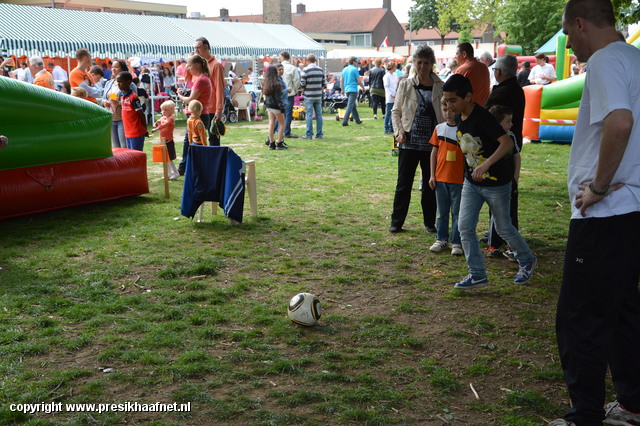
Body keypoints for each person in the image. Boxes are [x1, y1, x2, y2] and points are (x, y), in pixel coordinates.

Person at [550, 0, 640, 424]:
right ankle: (633, 403)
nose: (569, 42)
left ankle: (583, 415)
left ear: (581, 24)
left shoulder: (605, 61)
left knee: (579, 317)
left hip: (605, 215)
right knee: (623, 311)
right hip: (632, 213)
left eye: (568, 33)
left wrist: (599, 188)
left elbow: (620, 123)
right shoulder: (634, 59)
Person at [442, 74, 536, 289]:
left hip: (497, 184)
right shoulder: (459, 119)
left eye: (453, 100)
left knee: (504, 228)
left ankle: (527, 259)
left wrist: (485, 166)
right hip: (472, 184)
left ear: (468, 97)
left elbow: (506, 144)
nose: (449, 105)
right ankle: (477, 274)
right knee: (464, 228)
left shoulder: (483, 117)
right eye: (446, 100)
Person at [389, 45, 443, 234]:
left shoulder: (440, 86)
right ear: (413, 63)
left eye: (426, 63)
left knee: (430, 184)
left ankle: (429, 222)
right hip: (408, 141)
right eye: (419, 62)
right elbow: (395, 112)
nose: (422, 66)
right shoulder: (406, 84)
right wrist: (399, 133)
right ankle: (397, 222)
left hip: (432, 145)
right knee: (403, 183)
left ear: (432, 64)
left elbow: (445, 113)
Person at [484, 55, 526, 258]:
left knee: (503, 198)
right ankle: (497, 235)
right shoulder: (517, 88)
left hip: (501, 148)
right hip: (510, 144)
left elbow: (487, 118)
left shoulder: (501, 91)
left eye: (494, 71)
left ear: (498, 72)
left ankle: (506, 239)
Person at [428, 98, 464, 256]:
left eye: (451, 110)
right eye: (445, 110)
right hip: (440, 178)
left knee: (457, 213)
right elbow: (434, 152)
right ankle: (441, 239)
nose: (448, 114)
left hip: (459, 180)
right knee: (442, 212)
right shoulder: (439, 128)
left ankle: (456, 242)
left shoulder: (464, 130)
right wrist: (431, 175)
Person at [177, 54, 212, 173]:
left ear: (197, 65)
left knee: (192, 141)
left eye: (190, 66)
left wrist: (179, 95)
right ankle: (188, 166)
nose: (188, 69)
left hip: (197, 115)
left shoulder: (201, 79)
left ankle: (185, 167)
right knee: (192, 141)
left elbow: (190, 100)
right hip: (199, 114)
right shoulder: (202, 78)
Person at [190, 37, 225, 147]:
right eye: (195, 48)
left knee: (213, 139)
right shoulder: (198, 65)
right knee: (197, 139)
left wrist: (219, 110)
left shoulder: (216, 65)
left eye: (198, 48)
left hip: (211, 108)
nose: (196, 50)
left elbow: (219, 88)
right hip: (199, 108)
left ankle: (214, 163)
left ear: (206, 47)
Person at [102, 59, 134, 148]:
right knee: (115, 147)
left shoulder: (130, 84)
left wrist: (119, 103)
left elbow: (133, 102)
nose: (113, 69)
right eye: (112, 67)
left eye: (116, 67)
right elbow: (104, 97)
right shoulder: (109, 83)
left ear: (123, 69)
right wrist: (104, 101)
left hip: (123, 119)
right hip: (111, 118)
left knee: (124, 146)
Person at [117, 71, 148, 151]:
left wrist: (145, 129)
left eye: (120, 82)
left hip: (136, 132)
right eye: (117, 82)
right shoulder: (122, 96)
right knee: (131, 155)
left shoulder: (133, 97)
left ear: (128, 82)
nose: (118, 84)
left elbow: (141, 114)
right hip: (128, 132)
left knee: (136, 156)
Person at [151, 100, 179, 180]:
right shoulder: (163, 118)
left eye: (166, 110)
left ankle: (175, 173)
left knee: (169, 158)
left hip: (168, 141)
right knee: (165, 158)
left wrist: (156, 128)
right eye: (162, 110)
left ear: (171, 111)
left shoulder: (171, 119)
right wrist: (156, 123)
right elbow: (157, 124)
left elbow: (163, 125)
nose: (163, 112)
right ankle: (169, 173)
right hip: (162, 141)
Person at [300, 53, 325, 140]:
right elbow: (323, 84)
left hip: (309, 95)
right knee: (319, 114)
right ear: (315, 60)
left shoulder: (305, 70)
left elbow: (303, 83)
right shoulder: (320, 70)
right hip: (318, 95)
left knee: (309, 114)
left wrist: (303, 92)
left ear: (307, 61)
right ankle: (319, 133)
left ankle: (309, 134)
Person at [263, 66, 287, 150]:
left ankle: (271, 142)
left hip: (269, 105)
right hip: (276, 106)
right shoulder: (277, 84)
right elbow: (278, 98)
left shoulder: (266, 83)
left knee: (271, 123)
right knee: (282, 123)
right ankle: (279, 142)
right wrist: (282, 107)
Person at [279, 51, 301, 139]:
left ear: (283, 57)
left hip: (279, 93)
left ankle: (279, 129)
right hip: (289, 93)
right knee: (288, 113)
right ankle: (286, 131)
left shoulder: (277, 67)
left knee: (279, 113)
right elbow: (296, 81)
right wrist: (295, 90)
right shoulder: (293, 68)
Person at [341, 57, 364, 126]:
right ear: (353, 62)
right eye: (356, 61)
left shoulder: (345, 69)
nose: (357, 63)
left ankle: (357, 120)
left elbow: (342, 80)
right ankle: (345, 121)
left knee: (352, 105)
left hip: (347, 89)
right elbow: (359, 80)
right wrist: (363, 87)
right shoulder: (354, 69)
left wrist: (342, 89)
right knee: (350, 105)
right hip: (353, 89)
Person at [383, 62, 399, 134]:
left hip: (395, 94)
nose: (395, 68)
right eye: (394, 67)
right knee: (388, 112)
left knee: (393, 112)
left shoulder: (395, 75)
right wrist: (391, 94)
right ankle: (386, 127)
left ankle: (391, 127)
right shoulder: (387, 76)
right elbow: (386, 86)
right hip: (390, 96)